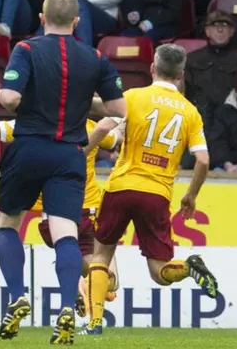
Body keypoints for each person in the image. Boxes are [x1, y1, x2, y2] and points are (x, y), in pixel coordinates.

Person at [0, 0, 126, 344]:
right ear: (77, 21)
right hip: (70, 154)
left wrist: (12, 95)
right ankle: (68, 306)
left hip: (29, 148)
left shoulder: (25, 50)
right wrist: (86, 100)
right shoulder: (96, 58)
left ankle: (18, 296)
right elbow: (119, 108)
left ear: (41, 17)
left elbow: (9, 99)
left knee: (7, 224)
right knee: (66, 234)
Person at [0, 106, 123, 319]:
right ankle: (82, 288)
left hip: (49, 218)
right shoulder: (86, 127)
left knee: (9, 228)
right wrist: (120, 119)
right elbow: (113, 136)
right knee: (109, 281)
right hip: (83, 210)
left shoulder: (27, 126)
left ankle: (37, 291)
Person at [81, 44, 219, 336]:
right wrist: (190, 195)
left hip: (121, 186)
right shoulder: (191, 113)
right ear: (181, 75)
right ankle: (189, 266)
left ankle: (94, 324)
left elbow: (102, 129)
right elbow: (204, 160)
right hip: (156, 193)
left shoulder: (132, 97)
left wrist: (80, 155)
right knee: (160, 272)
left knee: (101, 256)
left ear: (153, 68)